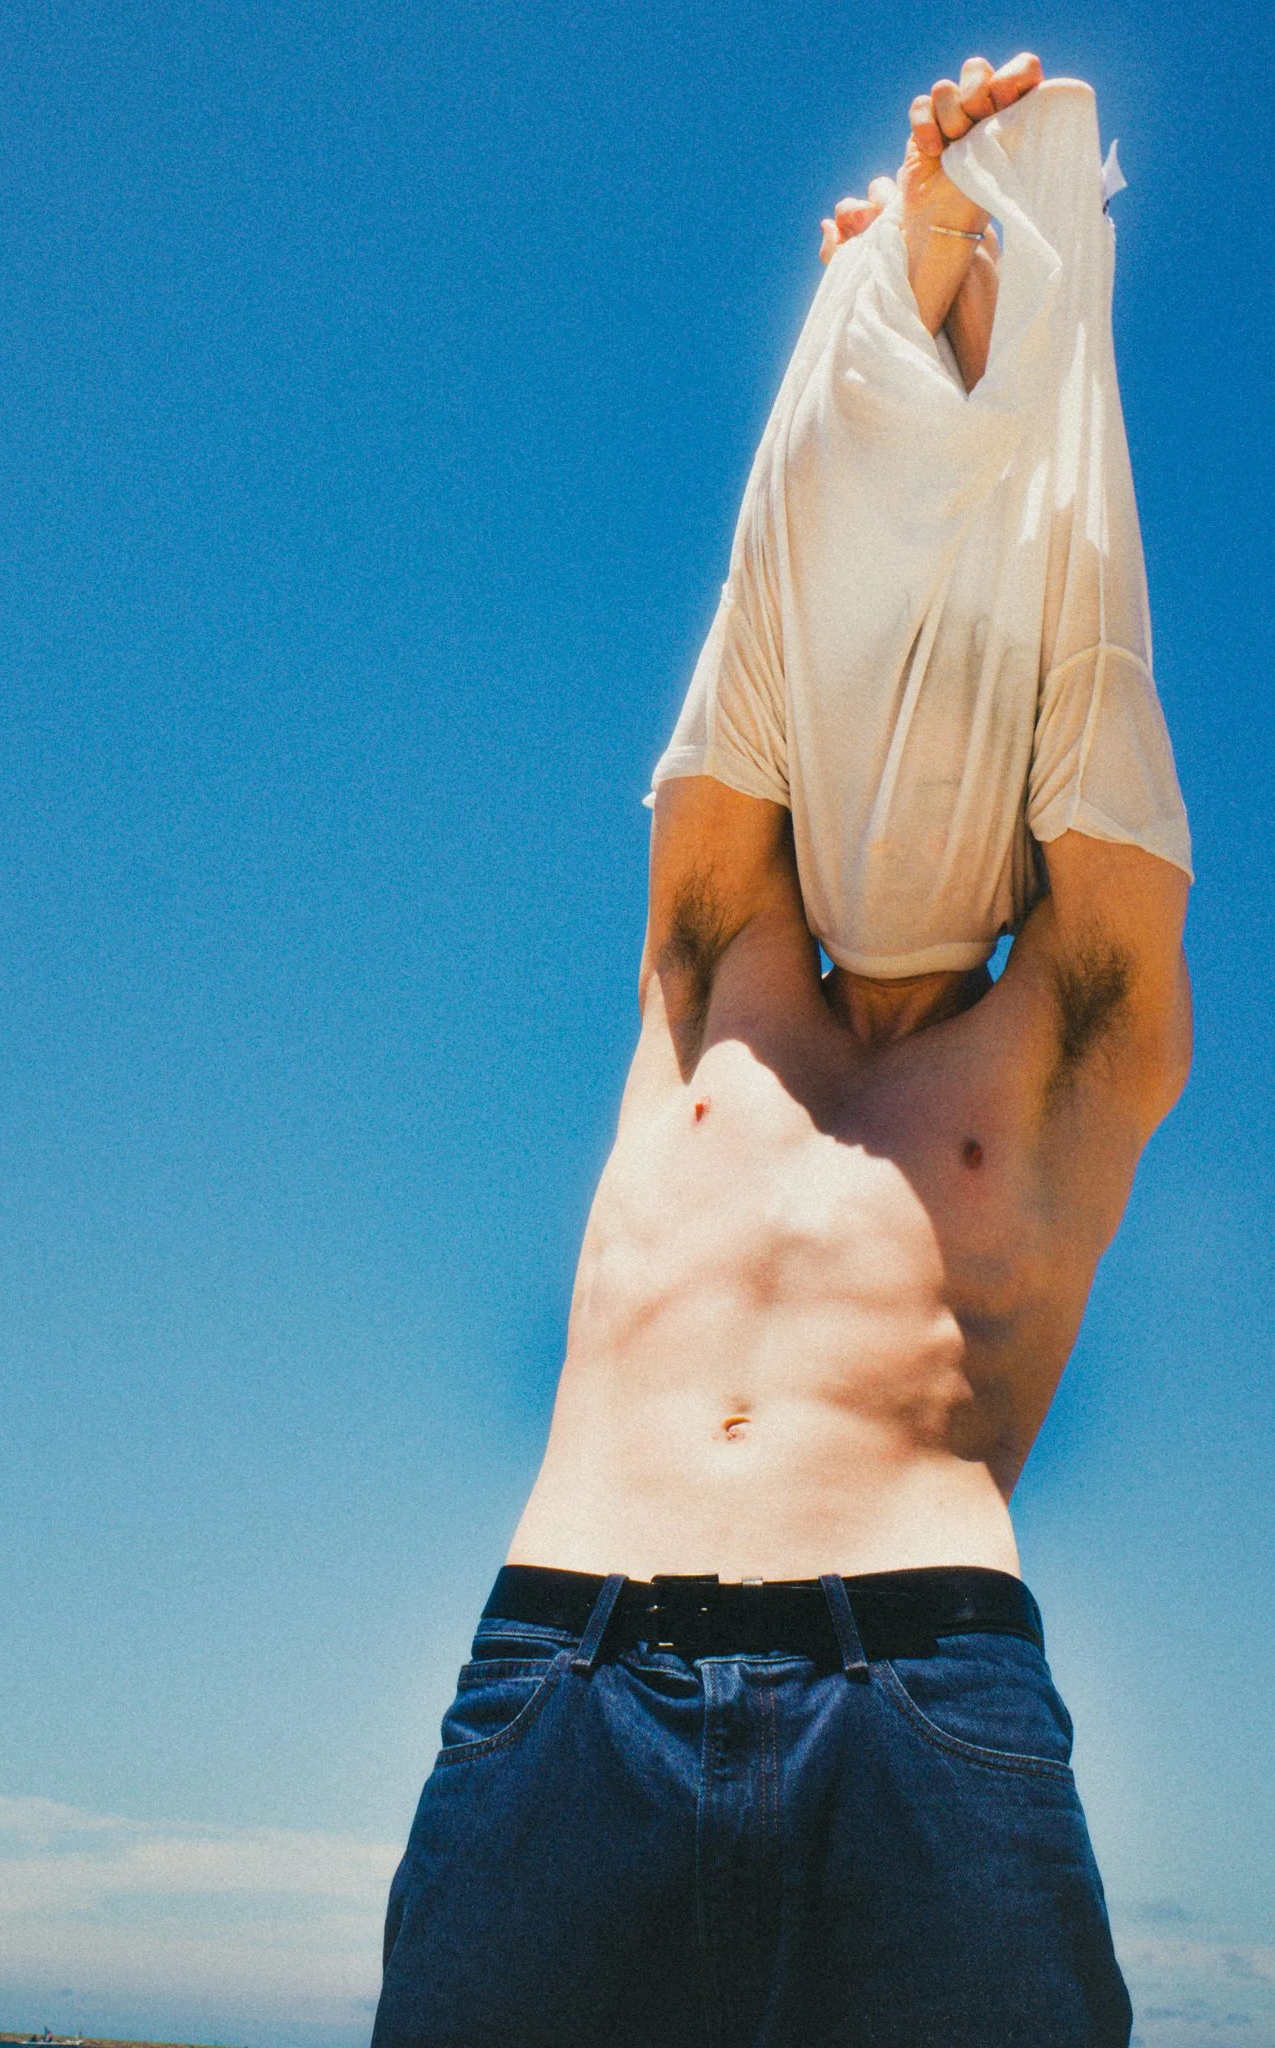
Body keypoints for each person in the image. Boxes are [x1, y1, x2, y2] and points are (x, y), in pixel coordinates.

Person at [372, 53, 1190, 2048]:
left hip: (927, 1695)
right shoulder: (700, 993)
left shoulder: (1077, 1035)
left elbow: (1086, 654)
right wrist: (871, 310)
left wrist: (1049, 307)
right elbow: (765, 620)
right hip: (568, 1669)